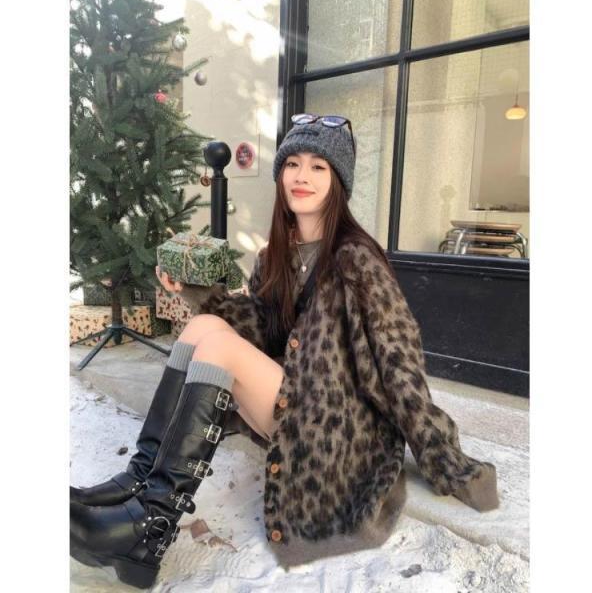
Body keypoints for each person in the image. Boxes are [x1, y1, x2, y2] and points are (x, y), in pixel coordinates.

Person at [70, 115, 499, 588]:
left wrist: (445, 458)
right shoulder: (276, 254)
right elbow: (261, 328)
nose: (301, 176)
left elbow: (401, 365)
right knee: (205, 326)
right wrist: (198, 294)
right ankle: (139, 481)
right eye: (292, 163)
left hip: (340, 433)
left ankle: (150, 526)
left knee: (218, 343)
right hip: (294, 405)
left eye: (318, 166)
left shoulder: (358, 259)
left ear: (338, 181)